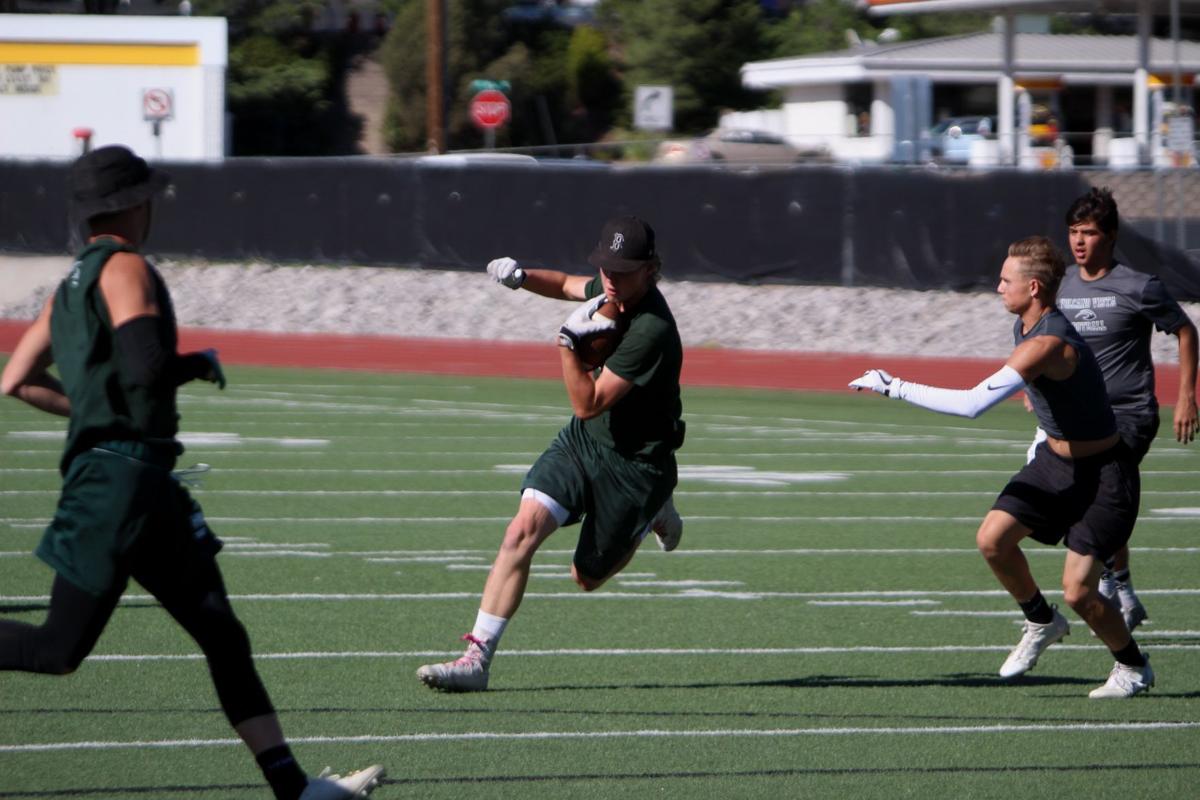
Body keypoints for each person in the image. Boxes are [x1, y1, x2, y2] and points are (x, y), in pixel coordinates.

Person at [0, 145, 384, 799]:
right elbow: (147, 363)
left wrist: (92, 416)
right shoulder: (125, 267)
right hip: (121, 487)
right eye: (147, 197)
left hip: (140, 483)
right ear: (129, 205)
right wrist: (196, 361)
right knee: (57, 650)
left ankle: (293, 787)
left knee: (220, 630)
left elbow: (16, 379)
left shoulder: (65, 287)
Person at [850, 235, 1153, 699]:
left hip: (1103, 475)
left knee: (1079, 593)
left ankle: (1132, 666)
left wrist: (894, 386)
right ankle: (1040, 620)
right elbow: (1057, 396)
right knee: (992, 539)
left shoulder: (1047, 340)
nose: (997, 288)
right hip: (1056, 461)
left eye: (1005, 280)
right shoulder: (1026, 328)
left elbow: (973, 404)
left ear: (1033, 288)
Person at [416, 215, 685, 692]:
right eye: (606, 267)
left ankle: (651, 514)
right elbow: (563, 283)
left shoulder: (652, 330)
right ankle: (476, 659)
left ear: (649, 269)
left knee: (585, 577)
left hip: (636, 466)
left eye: (622, 271)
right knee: (520, 530)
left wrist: (567, 344)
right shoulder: (610, 292)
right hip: (586, 445)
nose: (610, 278)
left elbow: (587, 403)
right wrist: (521, 279)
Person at [1026, 187, 1197, 632]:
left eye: (1089, 232)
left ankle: (1113, 584)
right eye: (1074, 232)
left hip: (1129, 414)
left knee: (1094, 488)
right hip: (1081, 416)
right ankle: (1120, 585)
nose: (1079, 241)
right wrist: (1035, 383)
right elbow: (1046, 340)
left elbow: (1184, 331)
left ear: (1112, 236)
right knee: (1100, 491)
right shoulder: (1062, 288)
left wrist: (1186, 396)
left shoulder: (1139, 286)